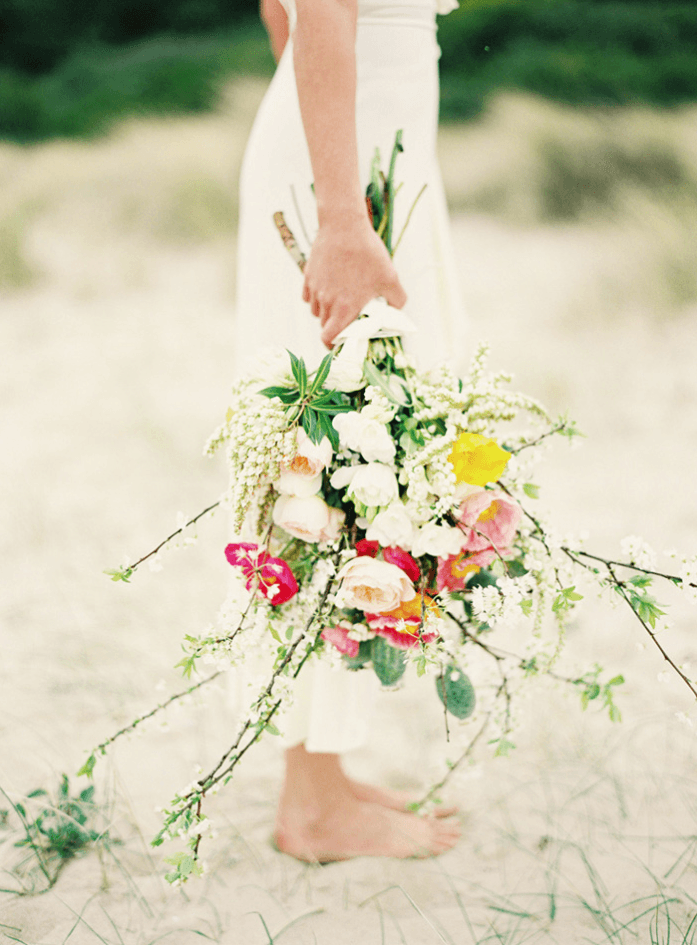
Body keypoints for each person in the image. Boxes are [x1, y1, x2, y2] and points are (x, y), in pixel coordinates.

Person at [235, 0, 466, 861]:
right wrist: (338, 217)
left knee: (351, 454)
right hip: (344, 162)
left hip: (351, 141)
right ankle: (313, 803)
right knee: (328, 458)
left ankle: (321, 775)